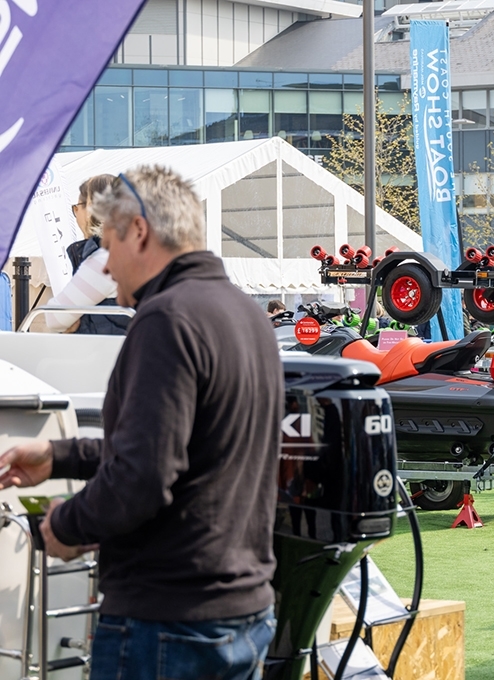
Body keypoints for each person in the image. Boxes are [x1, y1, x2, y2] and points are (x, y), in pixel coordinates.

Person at [0, 165, 283, 679]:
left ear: (139, 232)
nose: (105, 268)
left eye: (107, 246)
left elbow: (144, 475)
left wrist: (65, 524)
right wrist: (59, 455)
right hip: (240, 609)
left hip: (167, 619)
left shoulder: (166, 319)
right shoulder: (245, 315)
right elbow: (183, 448)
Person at [45, 174, 130, 335]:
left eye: (77, 207)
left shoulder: (104, 260)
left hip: (105, 354)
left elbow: (54, 318)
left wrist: (78, 321)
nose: (75, 214)